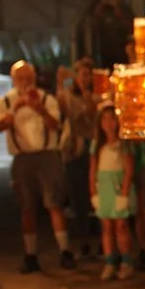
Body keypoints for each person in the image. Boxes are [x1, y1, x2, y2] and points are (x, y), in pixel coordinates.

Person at [0, 60, 76, 273]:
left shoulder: (47, 98)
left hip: (47, 154)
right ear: (14, 80)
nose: (26, 82)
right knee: (27, 207)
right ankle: (30, 254)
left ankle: (64, 250)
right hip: (22, 157)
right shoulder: (5, 101)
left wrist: (39, 109)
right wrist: (15, 108)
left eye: (29, 77)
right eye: (21, 78)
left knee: (54, 203)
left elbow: (56, 124)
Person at [90, 104, 136, 281]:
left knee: (121, 227)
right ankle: (109, 262)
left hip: (118, 187)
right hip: (104, 187)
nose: (109, 123)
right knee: (106, 227)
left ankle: (126, 262)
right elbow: (92, 169)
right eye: (105, 119)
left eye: (112, 119)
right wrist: (93, 192)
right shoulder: (97, 145)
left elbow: (129, 169)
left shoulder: (124, 144)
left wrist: (124, 194)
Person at [63, 58, 99, 254]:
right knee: (79, 196)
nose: (85, 78)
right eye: (81, 74)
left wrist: (88, 99)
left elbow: (94, 117)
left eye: (88, 74)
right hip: (76, 149)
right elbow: (70, 116)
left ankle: (103, 240)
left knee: (99, 193)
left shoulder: (100, 95)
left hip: (96, 147)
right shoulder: (68, 96)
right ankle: (84, 238)